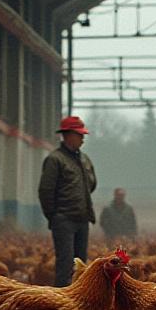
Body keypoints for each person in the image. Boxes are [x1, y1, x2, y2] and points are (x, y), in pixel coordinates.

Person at [39, 115, 97, 286]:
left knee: (81, 266)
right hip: (64, 220)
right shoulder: (55, 159)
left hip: (82, 219)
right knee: (65, 265)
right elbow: (46, 191)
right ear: (68, 135)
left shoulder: (84, 159)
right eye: (79, 135)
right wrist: (54, 216)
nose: (83, 139)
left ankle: (79, 298)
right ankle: (62, 298)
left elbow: (92, 184)